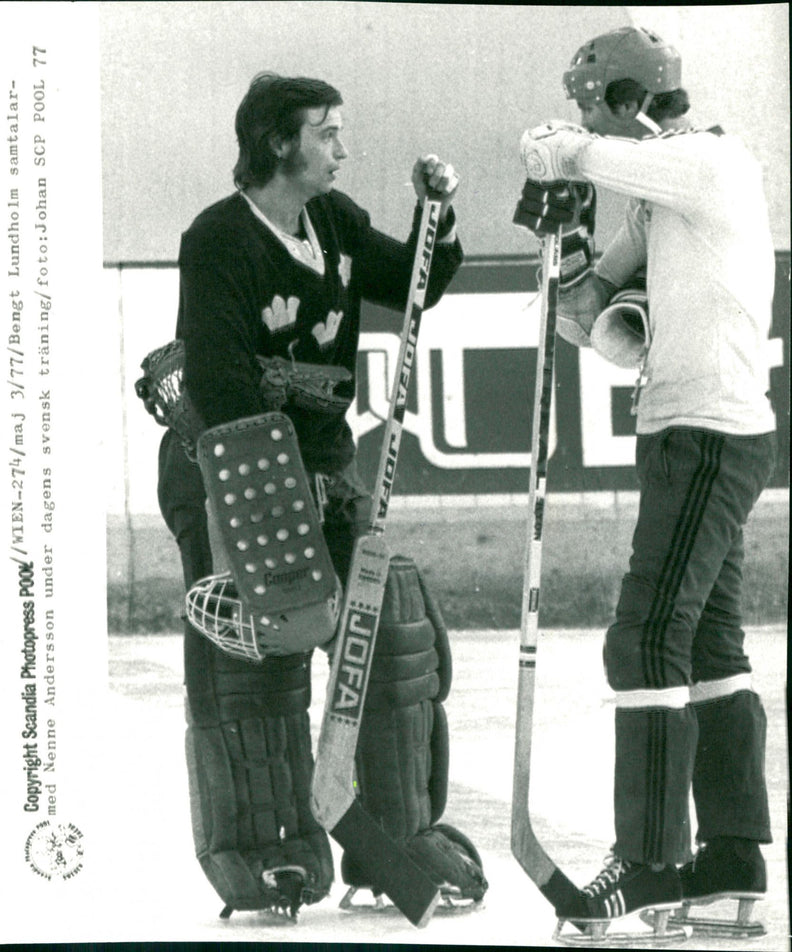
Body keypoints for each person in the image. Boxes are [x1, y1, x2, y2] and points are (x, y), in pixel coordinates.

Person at [154, 72, 487, 919]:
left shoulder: (331, 222)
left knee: (389, 625)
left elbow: (417, 279)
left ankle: (396, 838)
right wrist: (282, 488)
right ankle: (270, 853)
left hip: (324, 477)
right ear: (278, 143)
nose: (342, 148)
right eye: (327, 132)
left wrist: (435, 217)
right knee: (258, 655)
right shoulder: (219, 239)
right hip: (235, 471)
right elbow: (223, 380)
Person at [515, 26, 777, 935]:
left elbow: (592, 153)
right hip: (680, 432)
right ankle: (733, 861)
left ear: (630, 99)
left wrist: (562, 149)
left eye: (596, 103)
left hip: (710, 432)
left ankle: (654, 865)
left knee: (642, 641)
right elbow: (589, 315)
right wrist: (567, 261)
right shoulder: (659, 199)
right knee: (704, 644)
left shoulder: (711, 163)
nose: (589, 121)